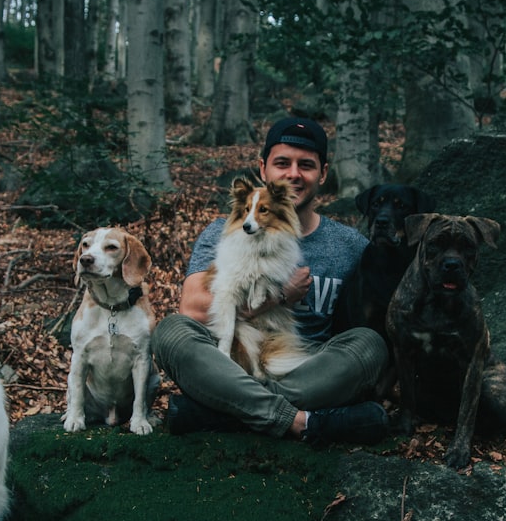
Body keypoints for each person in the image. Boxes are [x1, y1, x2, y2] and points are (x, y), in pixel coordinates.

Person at [151, 117, 390, 444]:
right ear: (264, 169)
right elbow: (194, 311)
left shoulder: (349, 244)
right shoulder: (227, 230)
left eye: (306, 165)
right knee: (171, 331)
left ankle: (227, 412)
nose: (294, 174)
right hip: (231, 364)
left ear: (323, 173)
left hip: (304, 370)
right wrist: (278, 297)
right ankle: (303, 422)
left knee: (369, 343)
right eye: (282, 163)